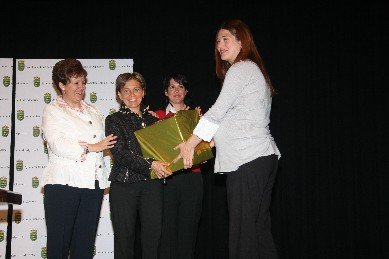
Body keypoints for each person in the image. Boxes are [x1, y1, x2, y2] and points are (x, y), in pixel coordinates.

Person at [175, 19, 281, 259]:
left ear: (241, 41)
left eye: (225, 39)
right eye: (217, 41)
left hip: (248, 159)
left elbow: (218, 112)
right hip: (260, 158)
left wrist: (190, 143)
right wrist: (210, 142)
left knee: (243, 235)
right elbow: (234, 119)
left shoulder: (241, 68)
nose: (220, 45)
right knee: (258, 234)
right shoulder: (253, 71)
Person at [41, 58, 117, 258]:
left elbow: (110, 138)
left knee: (84, 247)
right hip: (63, 185)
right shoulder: (53, 110)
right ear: (62, 85)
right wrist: (93, 147)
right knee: (59, 246)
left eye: (83, 82)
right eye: (75, 82)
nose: (81, 87)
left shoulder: (94, 111)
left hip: (92, 185)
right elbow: (57, 143)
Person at [105, 72, 171, 259]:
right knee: (124, 240)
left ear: (143, 92)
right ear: (119, 94)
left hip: (152, 186)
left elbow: (164, 152)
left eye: (136, 89)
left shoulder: (155, 121)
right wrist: (152, 164)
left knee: (153, 239)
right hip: (124, 185)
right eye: (126, 90)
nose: (131, 95)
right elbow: (120, 154)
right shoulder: (114, 120)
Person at [155, 73, 203, 259]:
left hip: (192, 178)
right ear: (166, 92)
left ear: (186, 91)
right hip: (166, 179)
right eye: (172, 87)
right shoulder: (156, 116)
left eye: (180, 86)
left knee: (188, 231)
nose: (176, 90)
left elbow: (207, 147)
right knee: (166, 231)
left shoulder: (197, 116)